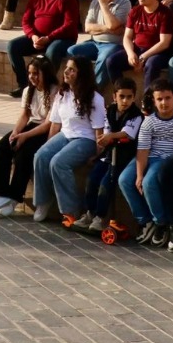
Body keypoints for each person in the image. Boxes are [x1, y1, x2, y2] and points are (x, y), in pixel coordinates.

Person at [30, 57, 107, 224]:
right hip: (65, 135)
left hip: (85, 139)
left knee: (58, 162)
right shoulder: (62, 94)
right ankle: (43, 202)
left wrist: (98, 154)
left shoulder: (95, 98)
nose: (66, 72)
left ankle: (71, 210)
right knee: (41, 156)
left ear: (82, 74)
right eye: (66, 68)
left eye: (72, 69)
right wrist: (48, 146)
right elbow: (55, 124)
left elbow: (98, 132)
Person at [120, 78, 173, 251]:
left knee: (149, 182)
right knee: (124, 180)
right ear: (153, 102)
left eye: (167, 98)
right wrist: (138, 175)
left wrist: (143, 179)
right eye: (159, 99)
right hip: (149, 156)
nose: (164, 103)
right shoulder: (149, 122)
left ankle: (161, 222)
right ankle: (145, 221)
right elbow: (143, 151)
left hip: (167, 159)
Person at [0, 57, 57, 217]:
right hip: (31, 126)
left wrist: (24, 136)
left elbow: (48, 124)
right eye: (29, 73)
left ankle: (14, 197)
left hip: (44, 130)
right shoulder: (28, 91)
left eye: (36, 73)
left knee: (24, 155)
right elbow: (24, 116)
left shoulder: (55, 92)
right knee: (2, 146)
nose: (32, 77)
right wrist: (16, 132)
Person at [79, 77, 142, 234]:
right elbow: (105, 133)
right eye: (122, 96)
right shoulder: (110, 111)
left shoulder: (136, 115)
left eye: (129, 97)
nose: (125, 100)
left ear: (134, 97)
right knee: (92, 180)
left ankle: (101, 217)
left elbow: (128, 134)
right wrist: (104, 141)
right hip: (107, 155)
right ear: (114, 97)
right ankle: (89, 213)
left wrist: (111, 137)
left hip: (123, 158)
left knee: (106, 184)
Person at [5, 0, 75, 81]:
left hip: (62, 38)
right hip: (38, 37)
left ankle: (47, 85)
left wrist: (49, 38)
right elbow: (26, 21)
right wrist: (33, 36)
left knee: (52, 52)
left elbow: (69, 24)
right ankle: (23, 84)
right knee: (12, 46)